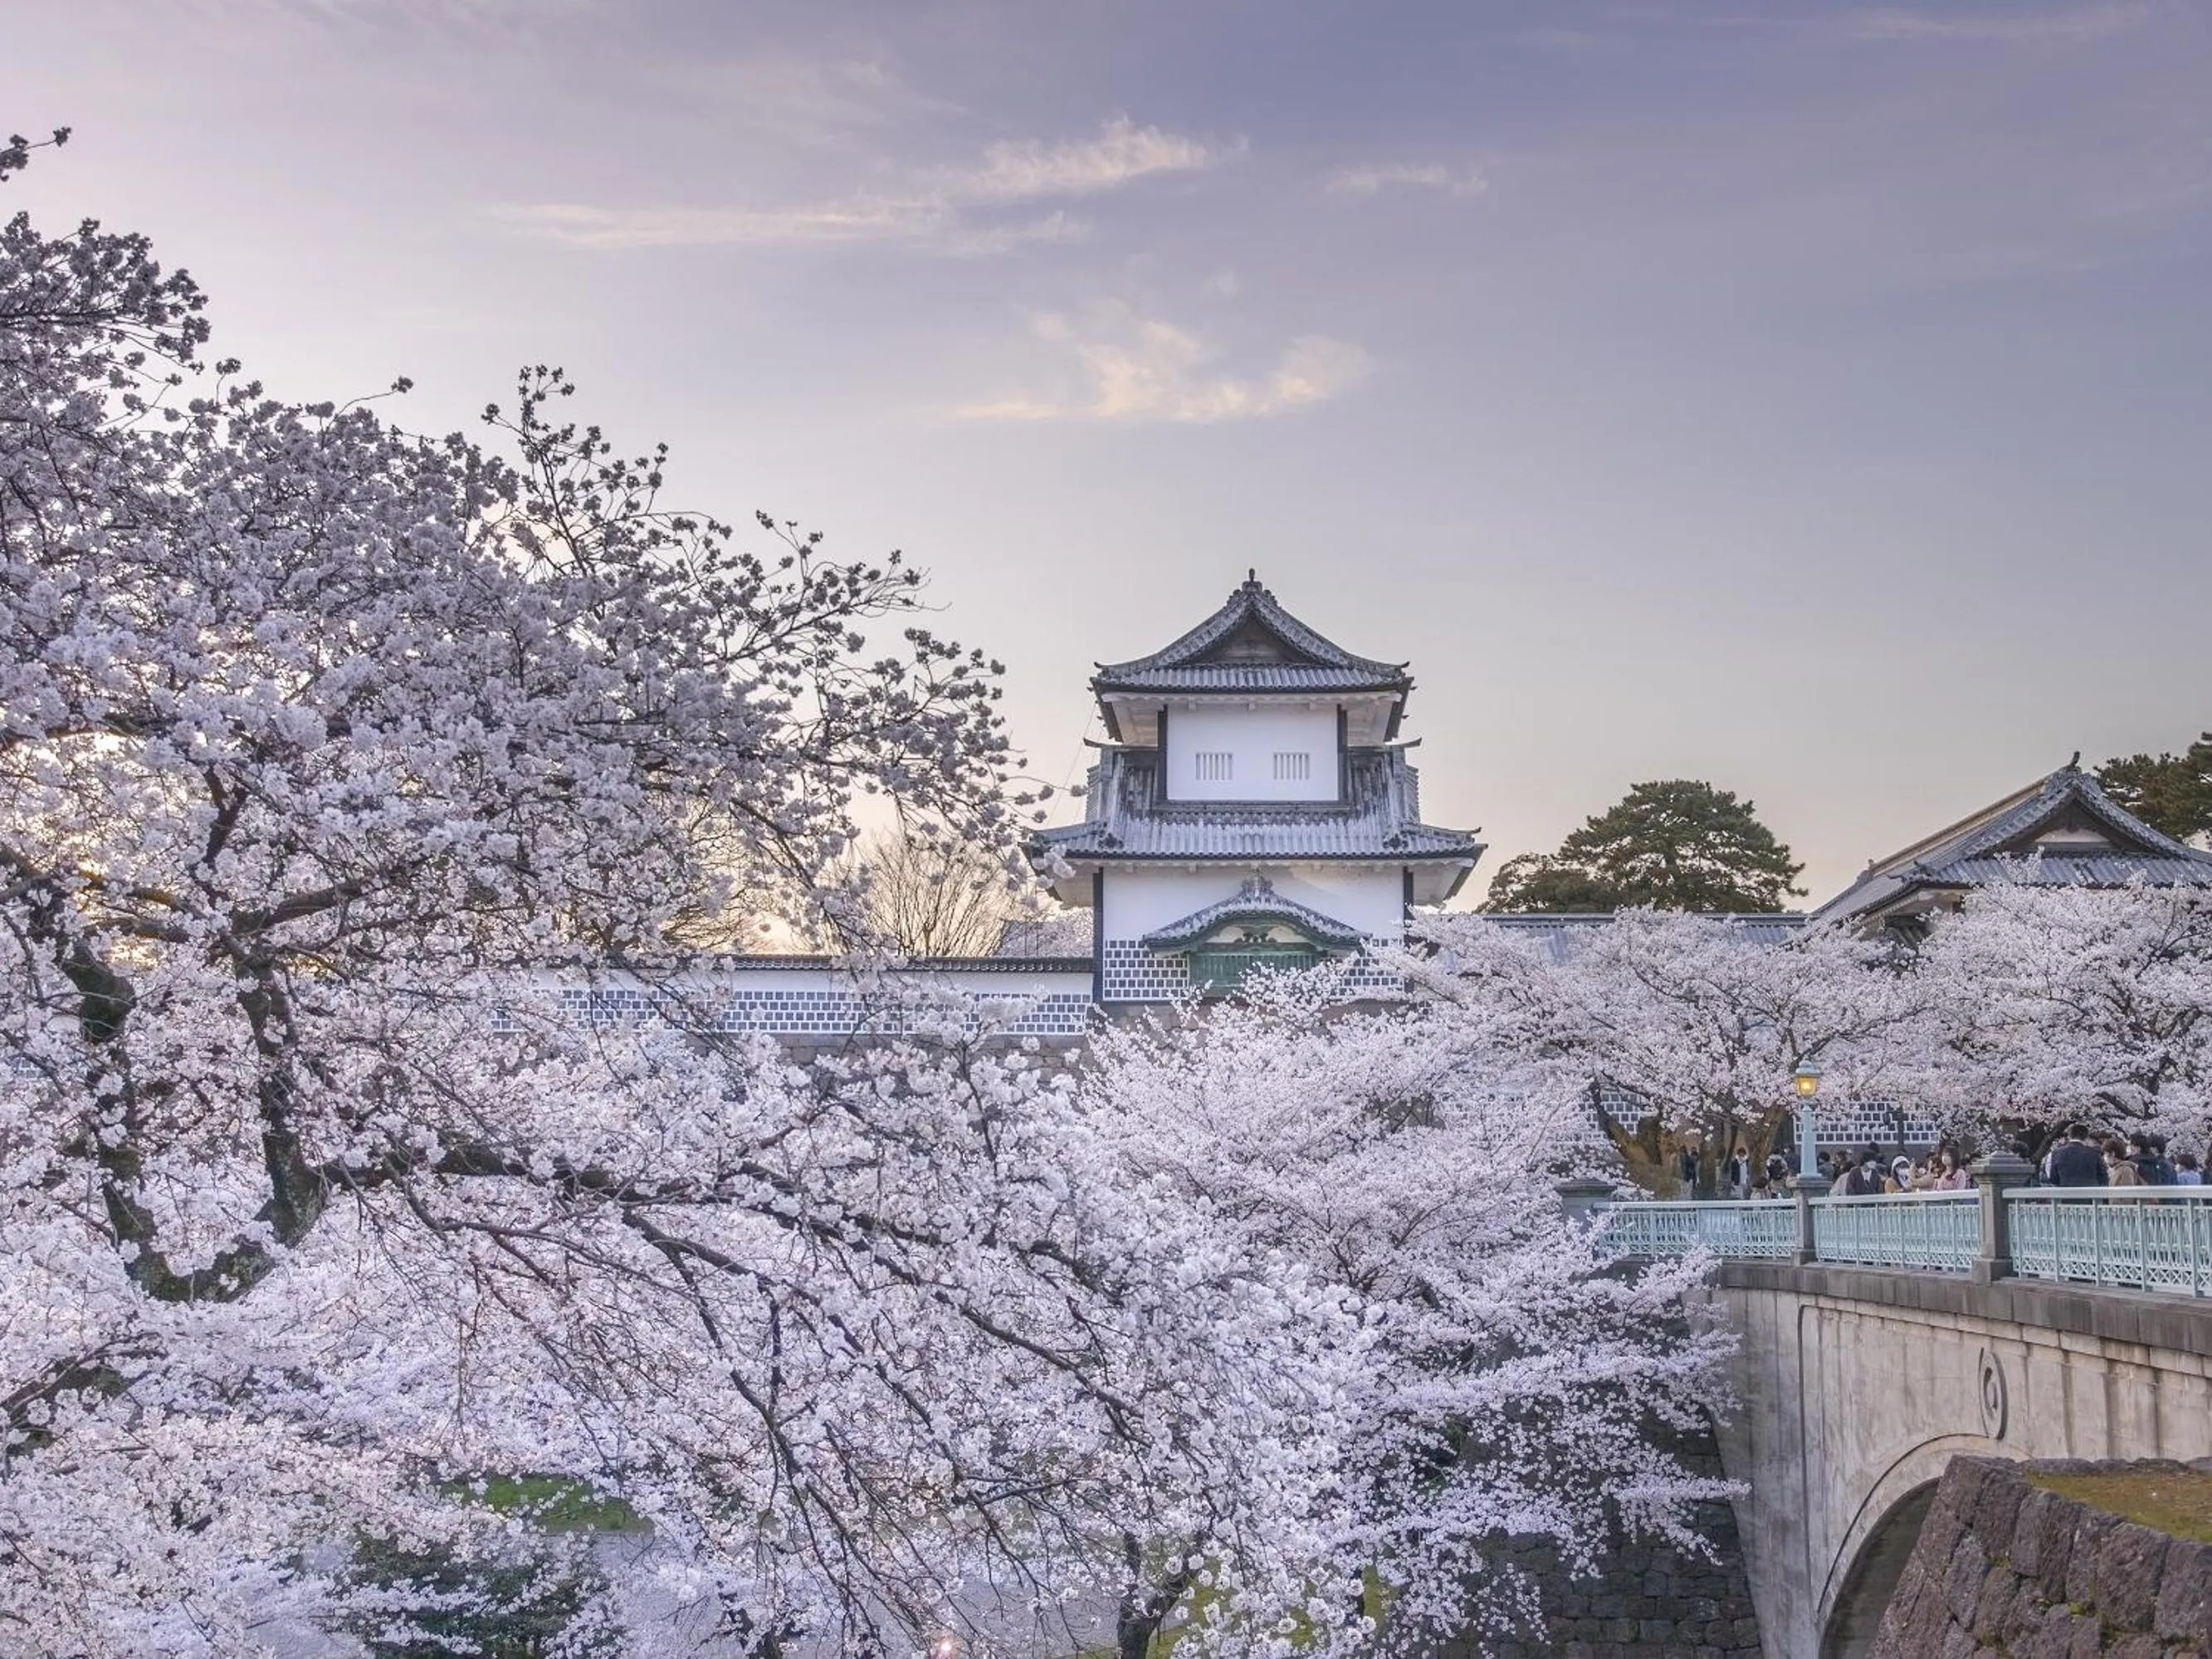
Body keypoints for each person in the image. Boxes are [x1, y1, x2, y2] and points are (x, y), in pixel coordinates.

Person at [2044, 1123, 2107, 1188]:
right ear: (2086, 1137)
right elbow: (2102, 1177)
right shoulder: (2094, 1153)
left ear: (2069, 1136)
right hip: (2088, 1194)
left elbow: (2052, 1178)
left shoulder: (2055, 1153)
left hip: (2063, 1194)